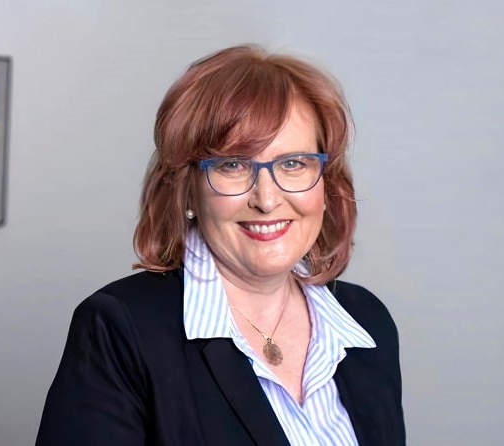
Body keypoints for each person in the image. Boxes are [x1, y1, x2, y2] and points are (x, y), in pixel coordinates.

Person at [36, 45, 405, 445]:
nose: (266, 199)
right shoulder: (121, 328)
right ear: (187, 188)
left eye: (293, 163)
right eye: (233, 165)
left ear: (326, 184)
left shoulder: (365, 321)